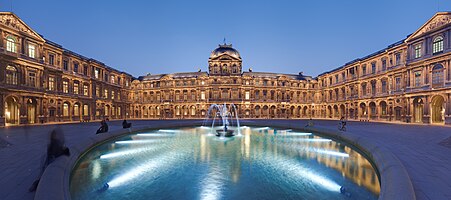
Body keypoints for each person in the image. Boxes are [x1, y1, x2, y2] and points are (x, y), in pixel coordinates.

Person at [29, 127, 70, 192]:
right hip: (52, 164)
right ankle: (36, 185)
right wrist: (65, 151)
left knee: (41, 176)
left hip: (49, 163)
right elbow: (56, 153)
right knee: (43, 177)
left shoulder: (52, 144)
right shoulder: (55, 144)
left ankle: (36, 184)